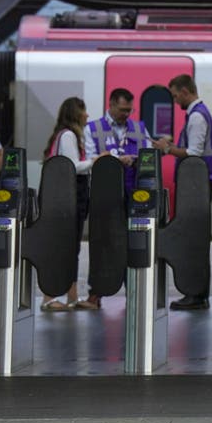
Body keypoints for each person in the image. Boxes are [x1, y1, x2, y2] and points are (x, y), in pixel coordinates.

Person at [78, 88, 153, 310]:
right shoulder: (92, 129)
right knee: (103, 243)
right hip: (105, 196)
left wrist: (137, 160)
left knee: (136, 244)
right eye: (122, 110)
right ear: (111, 104)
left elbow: (149, 156)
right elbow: (92, 159)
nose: (126, 114)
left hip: (135, 195)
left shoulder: (139, 128)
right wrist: (117, 160)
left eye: (129, 110)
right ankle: (96, 293)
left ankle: (135, 293)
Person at [153, 74, 212, 311]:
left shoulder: (197, 116)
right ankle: (196, 293)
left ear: (186, 91)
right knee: (195, 239)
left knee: (194, 240)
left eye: (175, 94)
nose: (174, 99)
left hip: (197, 187)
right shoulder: (197, 114)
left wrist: (167, 148)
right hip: (197, 186)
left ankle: (196, 294)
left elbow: (194, 153)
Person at [40, 97, 95, 312]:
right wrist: (95, 161)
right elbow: (73, 166)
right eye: (84, 111)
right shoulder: (69, 135)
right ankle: (48, 297)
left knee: (71, 249)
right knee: (62, 248)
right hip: (69, 199)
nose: (87, 115)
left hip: (68, 199)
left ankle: (72, 297)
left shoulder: (64, 135)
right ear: (75, 113)